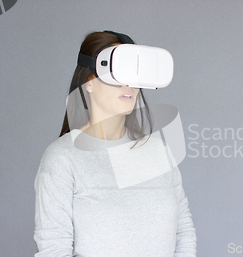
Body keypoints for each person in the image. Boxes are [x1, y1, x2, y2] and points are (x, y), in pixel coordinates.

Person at [33, 31, 197, 257]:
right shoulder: (62, 158)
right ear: (89, 82)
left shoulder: (160, 151)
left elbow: (184, 233)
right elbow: (54, 248)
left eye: (134, 73)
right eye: (118, 72)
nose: (128, 83)